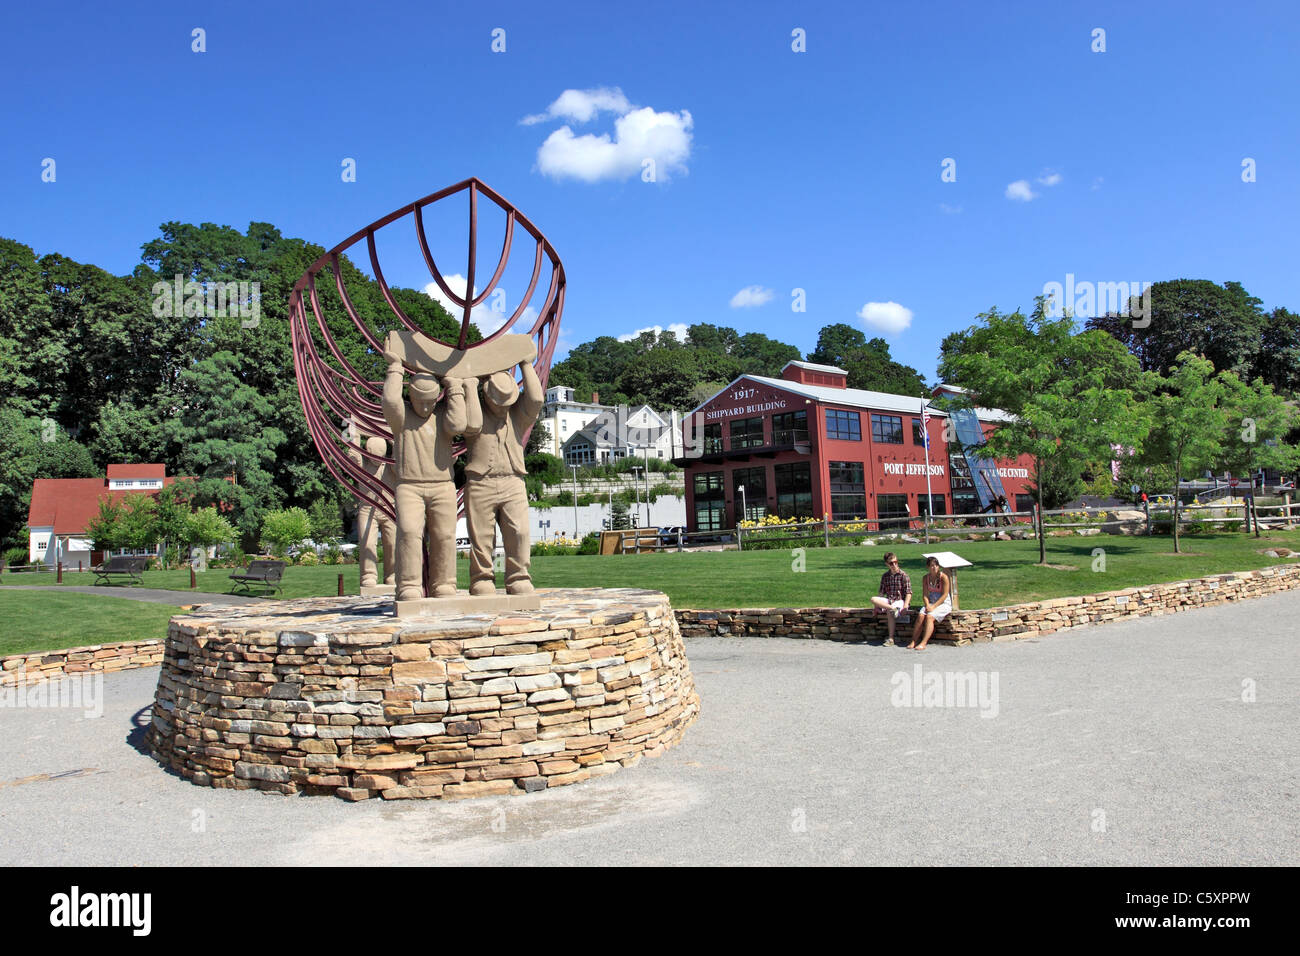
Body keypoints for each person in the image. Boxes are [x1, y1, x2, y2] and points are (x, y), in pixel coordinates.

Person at [381, 349, 472, 601]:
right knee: (409, 532)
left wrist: (453, 386)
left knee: (444, 535)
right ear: (410, 395)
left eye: (430, 401)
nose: (424, 406)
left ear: (437, 398)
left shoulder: (441, 415)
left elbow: (458, 424)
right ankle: (409, 584)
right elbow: (390, 401)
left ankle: (444, 584)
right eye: (420, 401)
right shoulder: (401, 418)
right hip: (409, 486)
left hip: (442, 485)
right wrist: (396, 368)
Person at [462, 360, 544, 595]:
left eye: (507, 401)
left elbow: (536, 399)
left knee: (519, 532)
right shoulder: (474, 411)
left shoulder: (518, 415)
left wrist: (527, 363)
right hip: (480, 482)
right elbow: (465, 421)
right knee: (481, 536)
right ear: (486, 396)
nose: (501, 406)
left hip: (513, 480)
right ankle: (482, 578)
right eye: (498, 401)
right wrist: (470, 382)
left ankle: (518, 577)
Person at [908, 556, 952, 650]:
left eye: (936, 565)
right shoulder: (925, 578)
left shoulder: (944, 577)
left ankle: (924, 642)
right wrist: (928, 605)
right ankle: (914, 640)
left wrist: (933, 607)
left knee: (929, 616)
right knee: (920, 615)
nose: (934, 567)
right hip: (931, 602)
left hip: (943, 603)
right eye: (932, 565)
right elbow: (925, 595)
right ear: (928, 567)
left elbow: (944, 595)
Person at [869, 552, 911, 645]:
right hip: (889, 601)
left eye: (896, 562)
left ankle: (891, 638)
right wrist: (876, 606)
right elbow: (881, 593)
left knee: (889, 611)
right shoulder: (885, 576)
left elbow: (908, 593)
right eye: (891, 563)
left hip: (900, 601)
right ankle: (893, 609)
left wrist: (906, 605)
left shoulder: (903, 575)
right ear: (887, 564)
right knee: (873, 599)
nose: (894, 565)